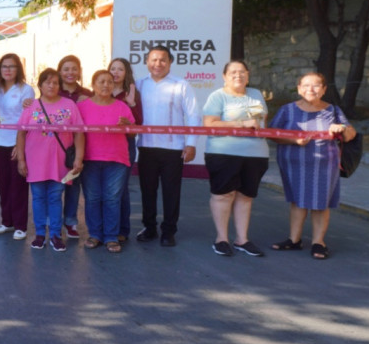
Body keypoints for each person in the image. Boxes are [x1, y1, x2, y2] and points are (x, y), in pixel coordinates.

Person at [269, 72, 356, 260]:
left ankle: (319, 242)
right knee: (297, 200)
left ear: (324, 90)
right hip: (293, 164)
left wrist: (341, 128)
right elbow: (272, 134)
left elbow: (350, 134)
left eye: (316, 85)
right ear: (299, 89)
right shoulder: (287, 110)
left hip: (324, 165)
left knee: (320, 202)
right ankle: (294, 240)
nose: (311, 89)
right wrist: (293, 140)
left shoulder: (333, 111)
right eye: (306, 85)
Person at [201, 60, 271, 257]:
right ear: (224, 76)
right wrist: (241, 123)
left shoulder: (256, 94)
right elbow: (209, 124)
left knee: (245, 196)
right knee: (223, 195)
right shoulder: (218, 96)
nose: (238, 75)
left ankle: (242, 239)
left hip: (255, 154)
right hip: (224, 153)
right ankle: (221, 239)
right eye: (233, 72)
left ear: (248, 75)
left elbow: (262, 120)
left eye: (242, 72)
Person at [136, 46, 200, 247]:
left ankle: (169, 231)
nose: (158, 64)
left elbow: (193, 115)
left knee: (171, 191)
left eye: (162, 60)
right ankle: (150, 227)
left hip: (174, 148)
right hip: (146, 146)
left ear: (170, 62)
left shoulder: (181, 85)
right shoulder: (139, 85)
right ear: (147, 62)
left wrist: (191, 144)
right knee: (147, 190)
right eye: (153, 60)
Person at [16, 68, 85, 252]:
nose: (52, 86)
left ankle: (55, 234)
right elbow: (21, 133)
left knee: (55, 198)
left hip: (60, 163)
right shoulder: (31, 106)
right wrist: (21, 160)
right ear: (40, 85)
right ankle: (40, 234)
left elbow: (79, 134)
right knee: (38, 198)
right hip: (35, 162)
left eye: (55, 82)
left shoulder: (69, 105)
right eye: (48, 82)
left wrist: (79, 158)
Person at [77, 70, 134, 253]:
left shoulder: (122, 107)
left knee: (112, 199)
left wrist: (128, 126)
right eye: (101, 81)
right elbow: (75, 133)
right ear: (93, 85)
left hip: (117, 160)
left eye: (109, 82)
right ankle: (95, 235)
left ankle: (111, 236)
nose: (105, 85)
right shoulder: (82, 107)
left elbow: (133, 131)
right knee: (92, 198)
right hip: (89, 159)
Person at [0, 53, 35, 240]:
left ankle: (20, 225)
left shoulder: (26, 90)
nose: (8, 70)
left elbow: (26, 120)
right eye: (4, 66)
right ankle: (6, 221)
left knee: (18, 184)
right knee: (3, 184)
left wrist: (20, 144)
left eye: (12, 66)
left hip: (16, 142)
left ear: (18, 69)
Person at [57, 55, 92, 240]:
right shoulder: (52, 92)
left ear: (79, 71)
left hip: (79, 148)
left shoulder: (87, 94)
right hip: (56, 148)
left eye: (74, 68)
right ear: (60, 72)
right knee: (54, 187)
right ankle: (53, 222)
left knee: (74, 186)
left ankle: (70, 222)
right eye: (66, 69)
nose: (70, 72)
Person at [109, 57, 142, 245]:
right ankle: (105, 228)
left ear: (126, 73)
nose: (115, 72)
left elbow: (139, 122)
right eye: (112, 68)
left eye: (120, 69)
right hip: (102, 146)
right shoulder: (101, 90)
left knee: (120, 190)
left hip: (125, 146)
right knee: (104, 191)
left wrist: (131, 103)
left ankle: (122, 229)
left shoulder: (131, 93)